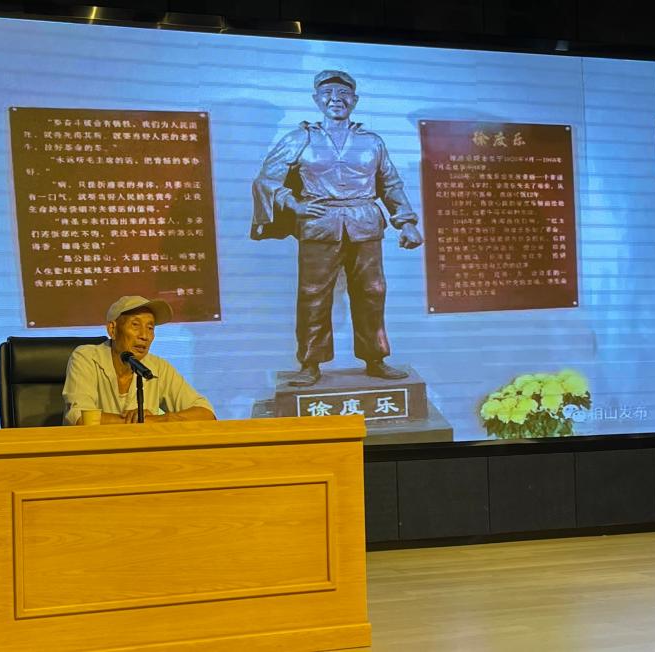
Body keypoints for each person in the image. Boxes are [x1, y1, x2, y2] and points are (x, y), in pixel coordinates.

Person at [251, 69, 424, 386]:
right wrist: (295, 205)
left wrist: (407, 222)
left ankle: (375, 358)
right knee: (313, 294)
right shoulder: (300, 138)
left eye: (343, 94)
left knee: (373, 292)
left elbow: (391, 183)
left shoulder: (372, 142)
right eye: (328, 93)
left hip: (365, 223)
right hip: (319, 225)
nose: (336, 99)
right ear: (316, 99)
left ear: (354, 100)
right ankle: (310, 362)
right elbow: (267, 179)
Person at [62, 295, 216, 425]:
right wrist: (137, 421)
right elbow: (81, 417)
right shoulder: (86, 357)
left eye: (150, 328)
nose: (144, 336)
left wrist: (161, 419)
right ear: (112, 330)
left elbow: (206, 414)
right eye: (135, 325)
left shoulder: (157, 367)